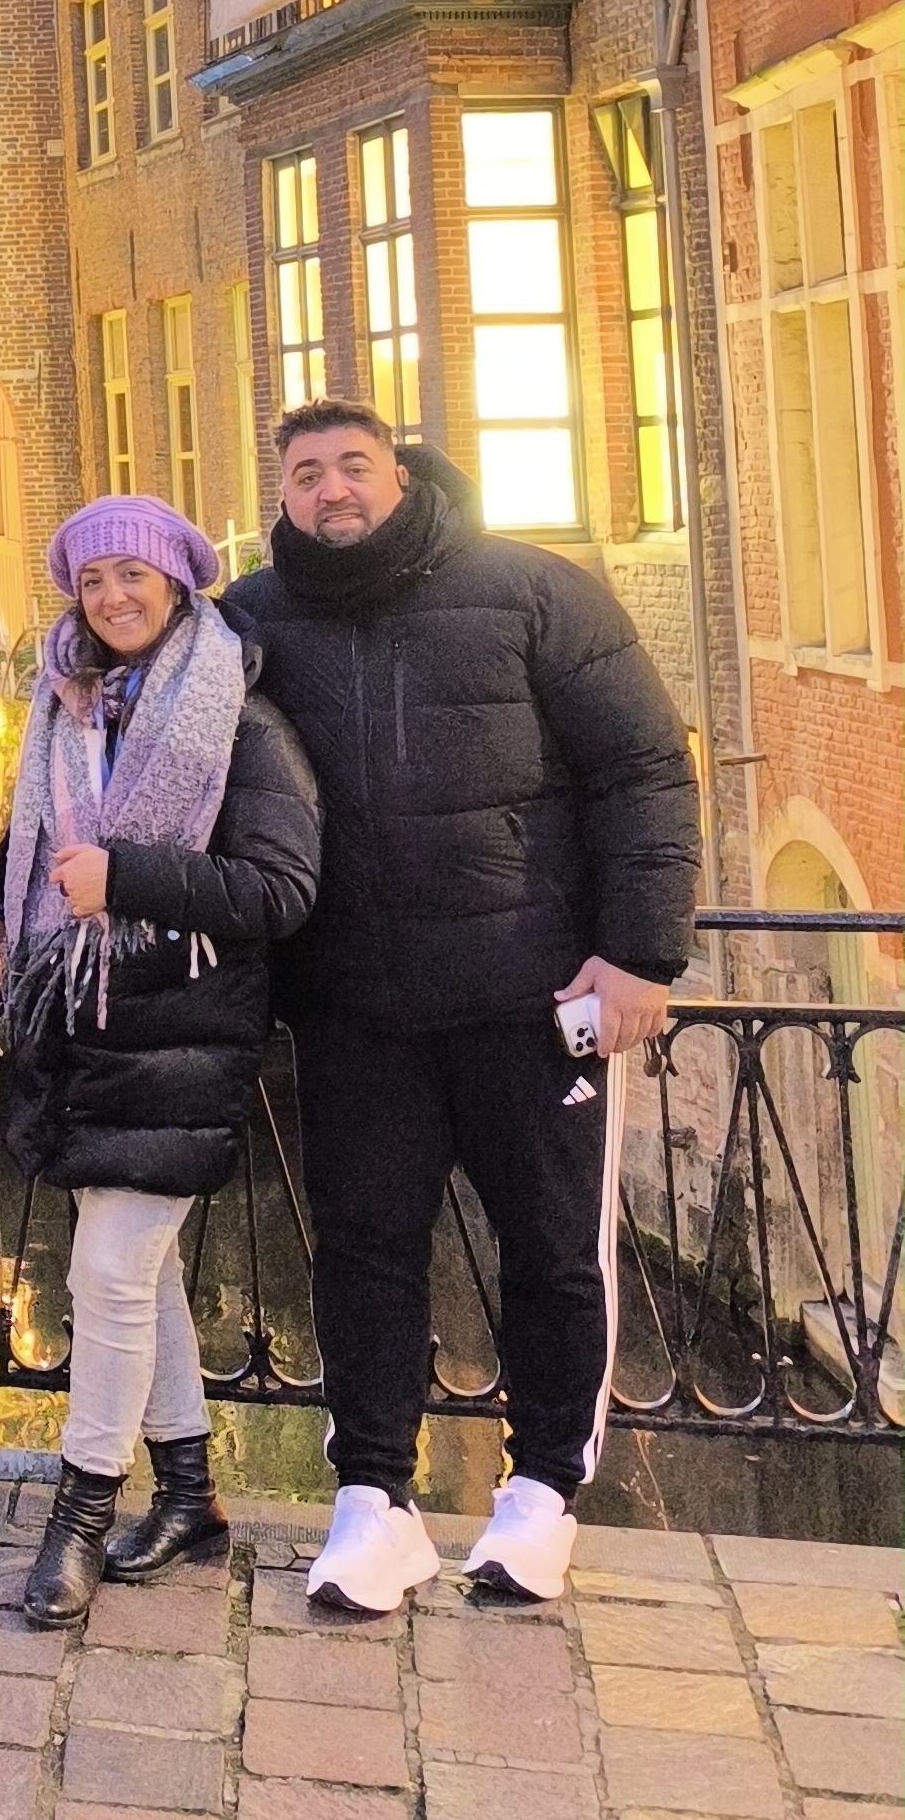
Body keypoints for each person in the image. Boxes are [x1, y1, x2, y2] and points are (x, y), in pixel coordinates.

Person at [223, 401, 698, 1613]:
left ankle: (541, 1492)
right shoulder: (254, 618)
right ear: (284, 495)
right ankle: (373, 1499)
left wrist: (640, 953)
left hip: (525, 998)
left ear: (399, 472)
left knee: (550, 1249)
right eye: (306, 473)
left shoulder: (531, 590)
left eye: (352, 466)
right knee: (363, 1253)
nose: (331, 490)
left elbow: (642, 770)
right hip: (355, 1007)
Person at [0, 495, 320, 1625]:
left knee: (110, 1274)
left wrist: (124, 879)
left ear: (177, 582)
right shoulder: (68, 706)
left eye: (135, 574)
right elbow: (48, 834)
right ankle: (189, 1495)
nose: (114, 596)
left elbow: (280, 890)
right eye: (94, 579)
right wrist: (0, 902)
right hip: (80, 1028)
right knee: (141, 1274)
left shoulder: (240, 720)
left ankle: (78, 1514)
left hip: (182, 1035)